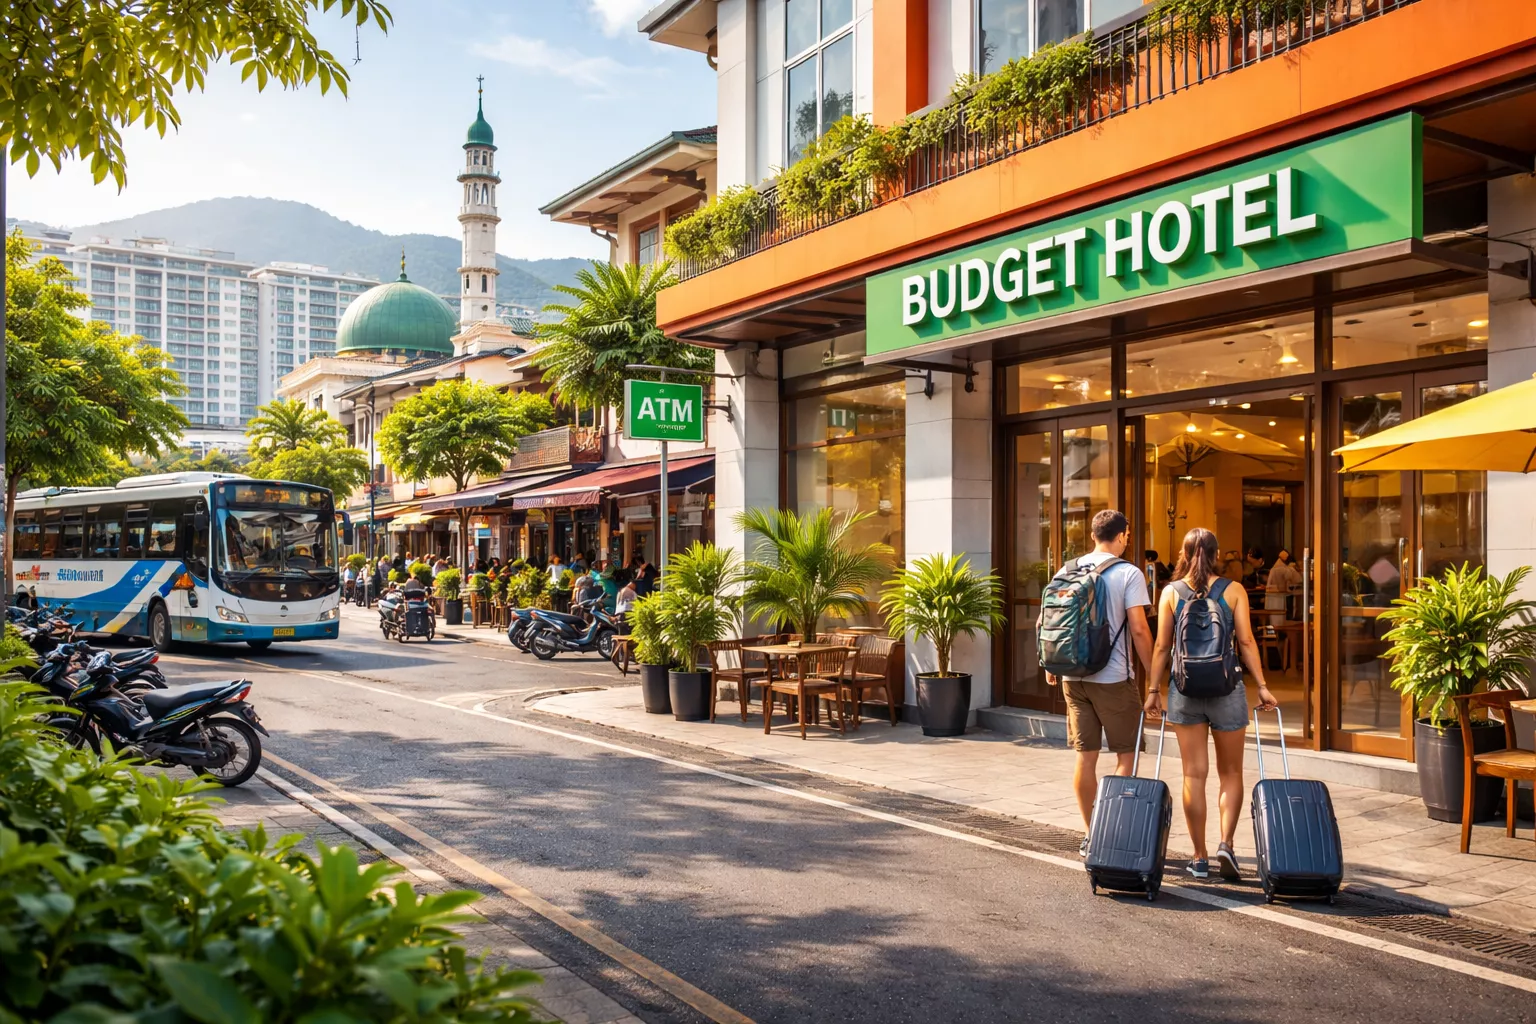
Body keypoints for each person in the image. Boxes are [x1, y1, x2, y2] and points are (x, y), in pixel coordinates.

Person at [1145, 527, 1278, 881]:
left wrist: (1153, 690)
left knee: (1193, 774)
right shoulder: (1234, 591)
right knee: (1231, 773)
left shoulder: (1170, 592)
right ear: (1217, 555)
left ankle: (1199, 857)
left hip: (1184, 690)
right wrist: (1262, 686)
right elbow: (1246, 642)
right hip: (1227, 688)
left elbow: (1162, 646)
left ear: (1184, 555)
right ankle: (1226, 844)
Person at [1045, 509, 1155, 856]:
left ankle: (1091, 834)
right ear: (1122, 536)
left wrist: (1050, 663)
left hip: (1072, 676)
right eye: (1127, 536)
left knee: (1085, 757)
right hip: (1113, 677)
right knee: (1127, 756)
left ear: (1093, 535)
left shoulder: (1067, 569)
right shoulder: (1128, 573)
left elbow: (1047, 621)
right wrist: (1155, 677)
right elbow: (1139, 629)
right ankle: (1113, 832)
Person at [1265, 549, 1301, 625]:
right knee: (1279, 620)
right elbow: (1298, 579)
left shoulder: (1273, 569)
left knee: (1273, 621)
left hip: (1271, 598)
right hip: (1279, 598)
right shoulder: (1285, 569)